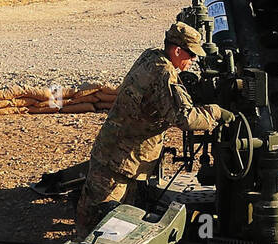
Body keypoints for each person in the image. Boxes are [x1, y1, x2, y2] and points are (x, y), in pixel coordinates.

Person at [75, 21, 232, 230]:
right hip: (119, 159)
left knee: (118, 219)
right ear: (177, 50)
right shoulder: (164, 74)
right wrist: (217, 112)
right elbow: (184, 118)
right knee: (99, 217)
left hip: (119, 153)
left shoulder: (151, 57)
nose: (194, 60)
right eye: (191, 54)